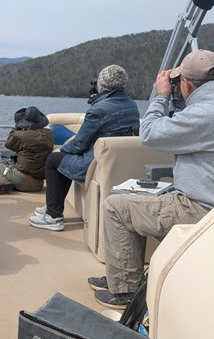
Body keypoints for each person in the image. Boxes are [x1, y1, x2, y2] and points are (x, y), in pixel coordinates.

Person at [88, 49, 214, 309]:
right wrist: (179, 98)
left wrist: (161, 97)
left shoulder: (206, 116)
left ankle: (125, 291)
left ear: (187, 83)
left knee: (116, 206)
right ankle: (124, 276)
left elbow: (149, 133)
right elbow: (191, 119)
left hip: (203, 210)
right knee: (137, 204)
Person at [28, 65, 140, 231]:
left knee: (54, 160)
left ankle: (53, 216)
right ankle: (54, 207)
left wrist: (63, 150)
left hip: (94, 163)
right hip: (117, 162)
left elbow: (79, 143)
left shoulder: (99, 110)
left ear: (102, 84)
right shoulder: (132, 105)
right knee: (63, 162)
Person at [0, 106, 54, 195]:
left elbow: (8, 144)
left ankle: (1, 181)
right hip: (39, 184)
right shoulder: (49, 134)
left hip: (22, 181)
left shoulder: (20, 135)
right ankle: (7, 183)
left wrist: (16, 127)